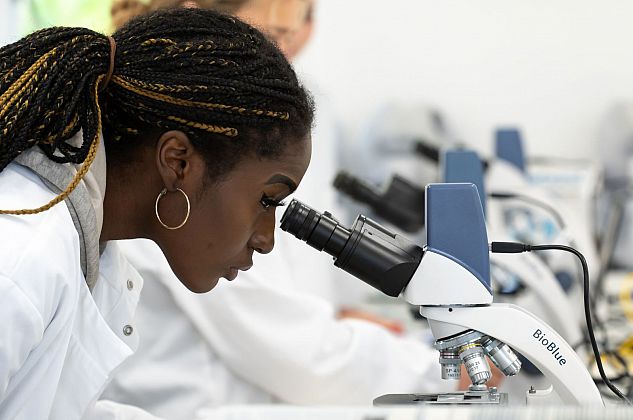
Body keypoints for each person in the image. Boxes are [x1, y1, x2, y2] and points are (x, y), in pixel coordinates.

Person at [100, 2, 460, 419]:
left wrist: (341, 321)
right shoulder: (193, 173)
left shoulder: (264, 131)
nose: (281, 54)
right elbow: (282, 346)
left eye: (291, 33)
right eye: (271, 35)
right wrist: (434, 374)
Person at [0, 7, 313, 419]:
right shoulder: (23, 259)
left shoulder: (90, 243)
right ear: (178, 161)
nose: (267, 240)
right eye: (266, 200)